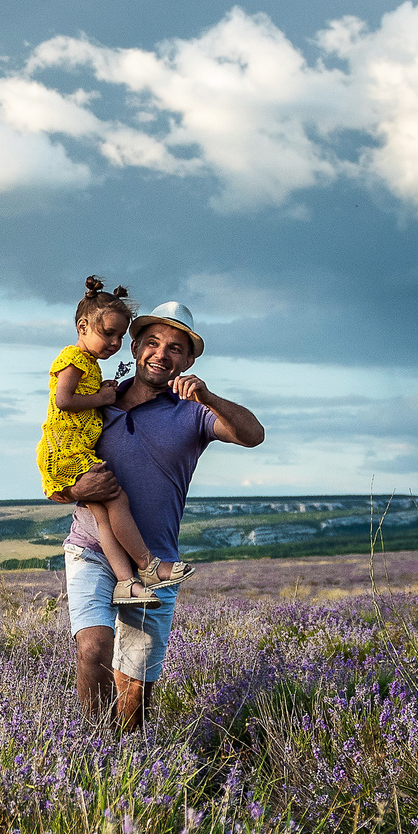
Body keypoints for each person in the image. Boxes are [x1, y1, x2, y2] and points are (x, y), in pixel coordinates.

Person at [57, 299, 264, 732]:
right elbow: (57, 468)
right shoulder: (96, 401)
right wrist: (76, 489)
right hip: (91, 549)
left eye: (175, 348)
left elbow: (253, 435)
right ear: (134, 347)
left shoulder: (193, 412)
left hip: (156, 563)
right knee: (93, 648)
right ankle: (94, 748)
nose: (161, 354)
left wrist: (206, 395)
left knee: (135, 690)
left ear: (188, 360)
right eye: (152, 343)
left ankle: (126, 757)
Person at [37, 276, 192, 607]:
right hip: (68, 452)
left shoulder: (88, 364)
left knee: (105, 514)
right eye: (108, 333)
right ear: (82, 326)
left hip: (68, 451)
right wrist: (101, 397)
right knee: (116, 500)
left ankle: (126, 583)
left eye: (120, 336)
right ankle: (147, 567)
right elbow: (63, 401)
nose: (114, 342)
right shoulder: (73, 358)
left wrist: (99, 392)